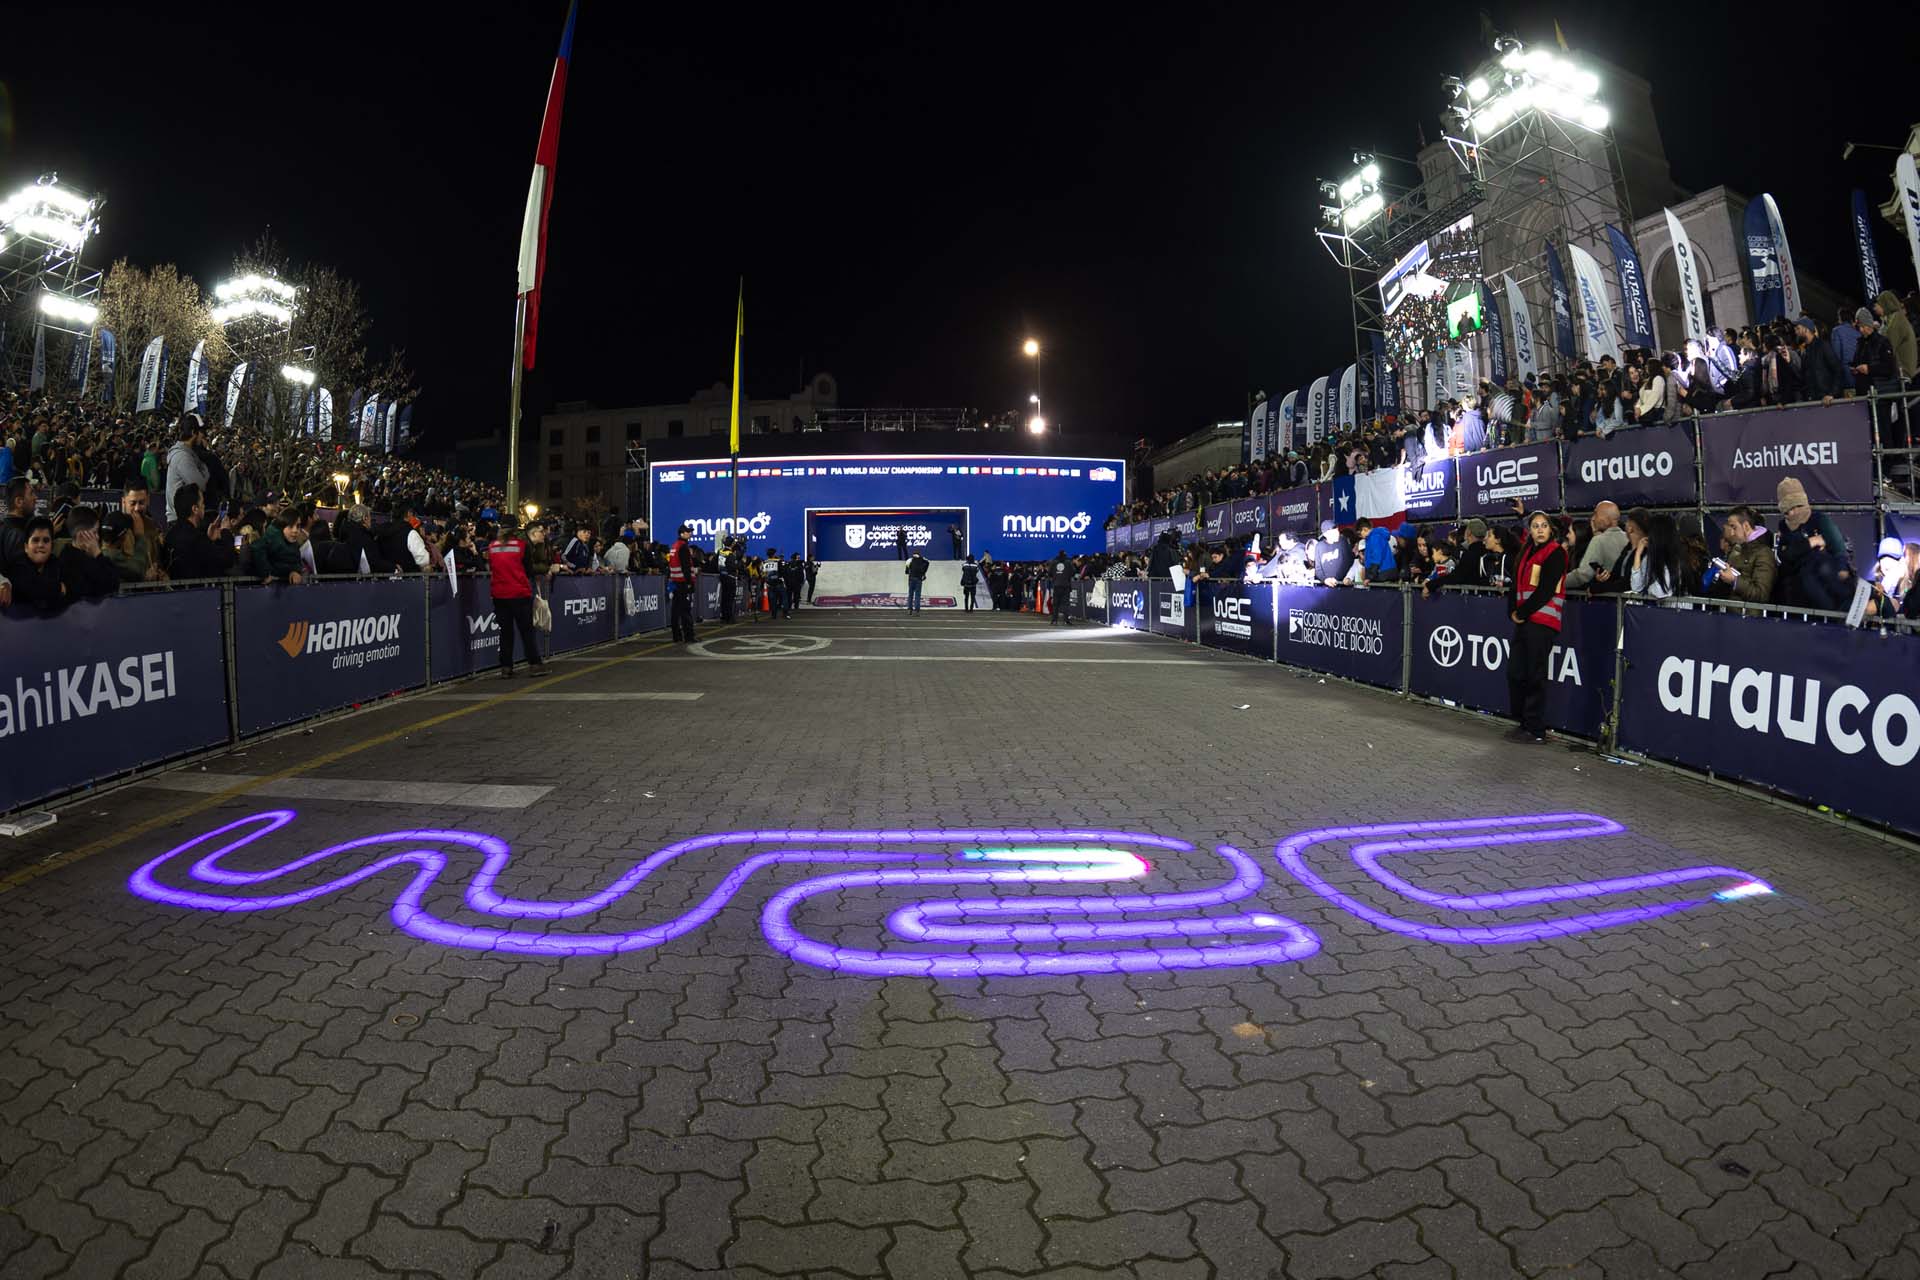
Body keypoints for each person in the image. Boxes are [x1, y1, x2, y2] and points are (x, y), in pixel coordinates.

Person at [1506, 510, 1568, 744]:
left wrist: (1521, 612)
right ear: (1529, 531)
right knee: (1516, 672)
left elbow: (1546, 589)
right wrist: (1513, 610)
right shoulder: (1525, 552)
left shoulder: (1556, 553)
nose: (1540, 530)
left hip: (1542, 621)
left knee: (1535, 674)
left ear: (1550, 529)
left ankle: (1535, 727)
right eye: (1535, 526)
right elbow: (1516, 585)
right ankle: (1524, 721)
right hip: (1525, 620)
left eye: (1543, 526)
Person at [1773, 477, 1852, 610]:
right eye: (1787, 510)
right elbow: (1785, 555)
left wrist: (1842, 568)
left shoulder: (1820, 520)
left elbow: (1838, 546)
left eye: (1797, 506)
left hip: (1824, 585)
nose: (1792, 513)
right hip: (1796, 593)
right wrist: (1811, 542)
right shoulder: (1784, 526)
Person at [486, 518, 548, 678]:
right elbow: (528, 570)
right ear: (515, 530)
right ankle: (534, 665)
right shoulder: (521, 546)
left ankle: (506, 667)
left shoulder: (492, 547)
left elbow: (492, 567)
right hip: (519, 594)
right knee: (527, 631)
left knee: (505, 632)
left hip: (499, 594)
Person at [162, 483, 239, 580]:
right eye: (202, 503)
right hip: (197, 593)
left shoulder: (170, 535)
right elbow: (227, 560)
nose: (204, 506)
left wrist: (209, 539)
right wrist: (225, 532)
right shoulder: (195, 537)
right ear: (195, 509)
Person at [1710, 506, 1776, 604]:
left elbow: (1761, 594)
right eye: (1730, 527)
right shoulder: (1736, 549)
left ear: (1745, 526)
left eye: (1734, 527)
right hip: (1730, 614)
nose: (1731, 533)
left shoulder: (1764, 553)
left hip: (1750, 617)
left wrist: (1734, 580)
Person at [1565, 500, 1628, 593]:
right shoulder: (1628, 538)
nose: (1593, 519)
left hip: (1605, 602)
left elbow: (1582, 575)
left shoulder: (1599, 540)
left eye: (1596, 514)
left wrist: (1555, 582)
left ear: (1606, 519)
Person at [164, 415, 211, 525]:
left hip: (184, 519)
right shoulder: (182, 456)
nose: (203, 436)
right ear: (193, 432)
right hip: (179, 520)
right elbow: (200, 484)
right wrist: (204, 468)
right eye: (201, 432)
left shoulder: (189, 454)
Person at [1794, 317, 1848, 405]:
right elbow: (1803, 377)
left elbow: (1838, 370)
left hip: (1827, 401)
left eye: (1798, 328)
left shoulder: (1823, 346)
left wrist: (1832, 394)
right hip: (1812, 400)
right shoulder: (1804, 351)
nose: (1796, 331)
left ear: (1806, 329)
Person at [666, 522, 700, 642]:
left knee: (675, 610)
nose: (690, 533)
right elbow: (685, 566)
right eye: (688, 531)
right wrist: (690, 582)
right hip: (683, 583)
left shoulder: (674, 546)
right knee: (685, 610)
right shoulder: (683, 547)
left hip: (676, 582)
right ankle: (689, 636)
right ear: (682, 533)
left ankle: (677, 636)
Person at [761, 547, 790, 619]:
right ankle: (785, 613)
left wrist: (766, 581)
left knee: (773, 600)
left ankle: (773, 614)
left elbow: (763, 573)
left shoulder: (765, 562)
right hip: (778, 583)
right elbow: (783, 572)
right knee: (784, 598)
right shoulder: (778, 561)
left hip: (770, 584)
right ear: (774, 554)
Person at [1047, 548, 1073, 625]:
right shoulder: (1068, 562)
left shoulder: (1054, 562)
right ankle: (1066, 620)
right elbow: (1072, 572)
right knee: (1066, 604)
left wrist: (1056, 576)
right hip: (1066, 585)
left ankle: (1054, 620)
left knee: (1056, 604)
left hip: (1056, 585)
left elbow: (1049, 573)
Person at [904, 548, 930, 613]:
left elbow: (906, 572)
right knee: (917, 595)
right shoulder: (922, 559)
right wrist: (924, 572)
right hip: (919, 579)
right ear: (919, 554)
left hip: (911, 579)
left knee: (910, 594)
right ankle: (916, 610)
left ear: (913, 554)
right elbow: (927, 562)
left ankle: (909, 609)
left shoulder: (909, 560)